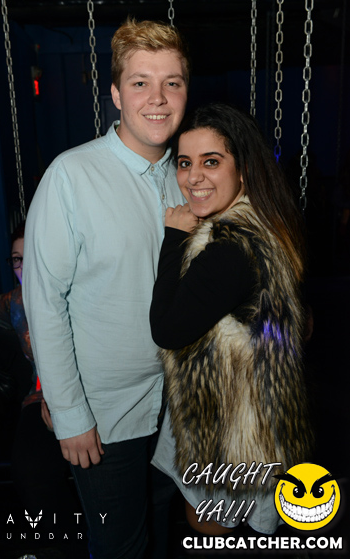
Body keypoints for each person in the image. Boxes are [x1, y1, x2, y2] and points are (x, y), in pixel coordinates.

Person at [23, 17, 189, 559]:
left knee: (161, 527)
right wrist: (69, 413)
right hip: (105, 414)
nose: (158, 98)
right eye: (141, 82)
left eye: (172, 82)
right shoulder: (71, 176)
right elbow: (44, 302)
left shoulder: (189, 177)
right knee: (120, 546)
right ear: (116, 94)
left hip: (177, 407)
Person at [150, 103, 314, 539]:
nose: (193, 177)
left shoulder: (229, 246)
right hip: (257, 416)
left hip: (229, 429)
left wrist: (174, 239)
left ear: (243, 169)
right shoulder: (265, 222)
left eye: (211, 162)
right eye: (184, 163)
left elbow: (166, 329)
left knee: (208, 524)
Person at [0, 224, 79, 550]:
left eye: (32, 256)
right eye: (17, 259)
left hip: (87, 392)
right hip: (39, 399)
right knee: (30, 470)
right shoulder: (16, 302)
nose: (24, 267)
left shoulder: (81, 295)